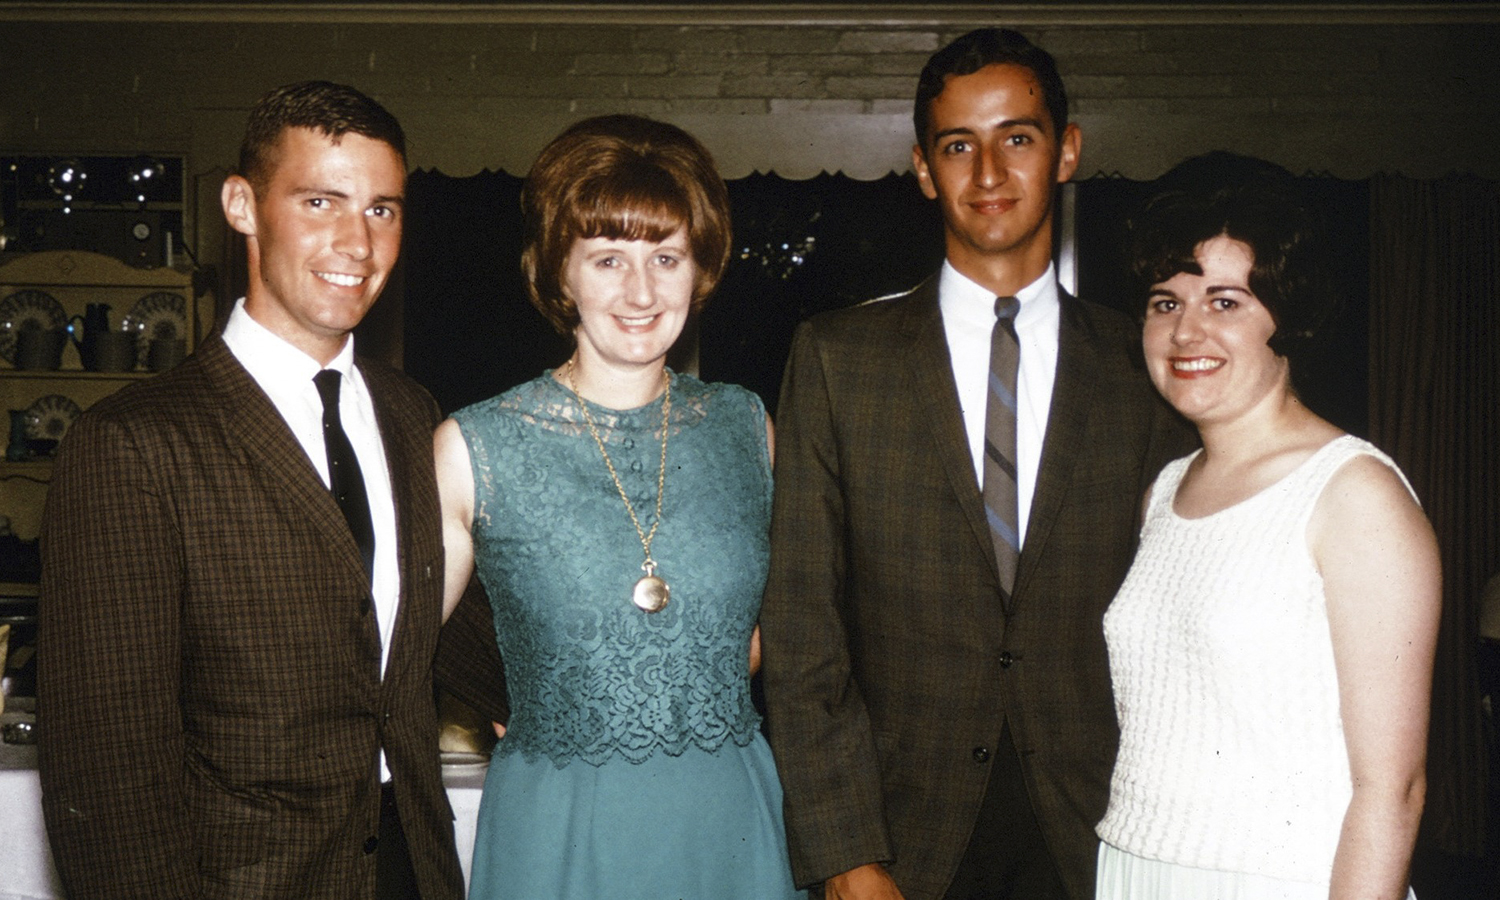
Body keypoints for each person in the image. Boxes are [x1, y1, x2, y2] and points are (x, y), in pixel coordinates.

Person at [760, 26, 1194, 900]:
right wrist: (847, 859)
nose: (988, 174)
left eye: (1017, 138)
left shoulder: (1148, 365)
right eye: (959, 146)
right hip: (902, 845)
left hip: (1103, 840)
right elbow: (804, 627)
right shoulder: (839, 359)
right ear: (924, 169)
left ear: (1066, 152)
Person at [37, 81, 465, 899]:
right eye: (320, 201)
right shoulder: (134, 442)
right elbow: (108, 769)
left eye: (383, 209)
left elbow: (445, 640)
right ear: (243, 205)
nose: (358, 242)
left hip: (414, 870)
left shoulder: (413, 414)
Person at [433, 113, 804, 899]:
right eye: (608, 259)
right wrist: (540, 696)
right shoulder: (476, 444)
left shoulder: (747, 425)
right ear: (559, 273)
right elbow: (396, 644)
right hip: (561, 828)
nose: (641, 292)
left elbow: (781, 628)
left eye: (665, 257)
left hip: (727, 819)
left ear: (698, 271)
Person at [1093, 154, 1441, 898]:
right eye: (1165, 302)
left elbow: (1393, 790)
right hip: (1136, 867)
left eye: (1225, 303)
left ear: (1289, 318)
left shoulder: (1355, 495)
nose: (1187, 332)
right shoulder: (1163, 492)